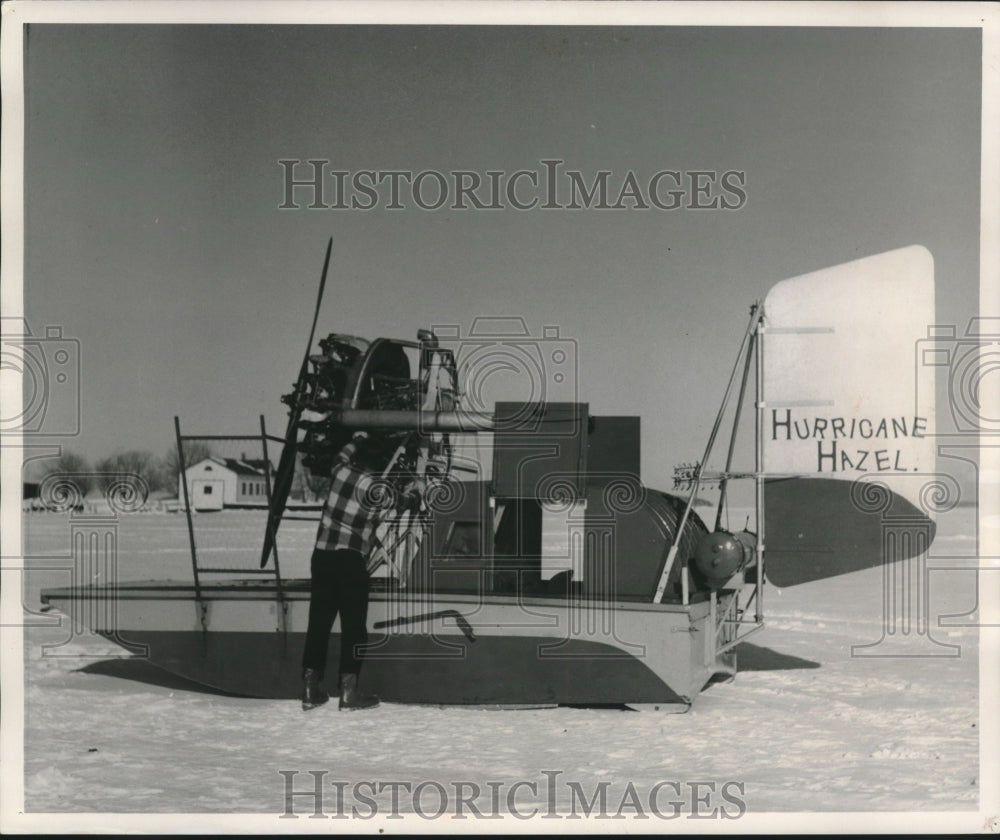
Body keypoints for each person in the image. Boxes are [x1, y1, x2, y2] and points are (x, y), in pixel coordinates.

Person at [300, 430, 390, 712]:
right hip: (351, 561)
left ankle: (310, 690)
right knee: (353, 628)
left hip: (323, 556)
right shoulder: (378, 490)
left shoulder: (340, 472)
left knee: (319, 624)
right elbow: (398, 503)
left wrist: (356, 439)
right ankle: (349, 694)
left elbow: (339, 457)